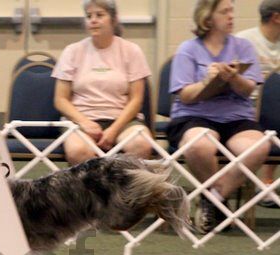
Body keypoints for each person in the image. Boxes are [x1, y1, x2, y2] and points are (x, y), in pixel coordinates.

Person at [167, 0, 271, 233]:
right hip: (195, 114)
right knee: (199, 145)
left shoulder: (243, 47)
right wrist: (207, 81)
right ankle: (220, 205)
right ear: (208, 17)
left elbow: (248, 90)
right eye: (225, 12)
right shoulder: (188, 49)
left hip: (236, 117)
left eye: (232, 11)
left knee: (258, 148)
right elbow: (184, 95)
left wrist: (233, 77)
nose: (231, 16)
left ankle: (212, 198)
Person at [52, 0, 153, 165]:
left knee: (141, 144)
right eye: (88, 16)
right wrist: (85, 123)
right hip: (81, 120)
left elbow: (136, 100)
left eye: (99, 15)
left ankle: (128, 191)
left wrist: (114, 130)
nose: (93, 20)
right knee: (78, 151)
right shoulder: (72, 51)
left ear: (113, 20)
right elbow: (60, 100)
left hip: (123, 120)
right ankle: (89, 191)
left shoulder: (132, 50)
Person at [236, 0, 280, 208]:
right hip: (246, 105)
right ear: (276, 17)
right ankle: (259, 181)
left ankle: (267, 181)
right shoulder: (243, 41)